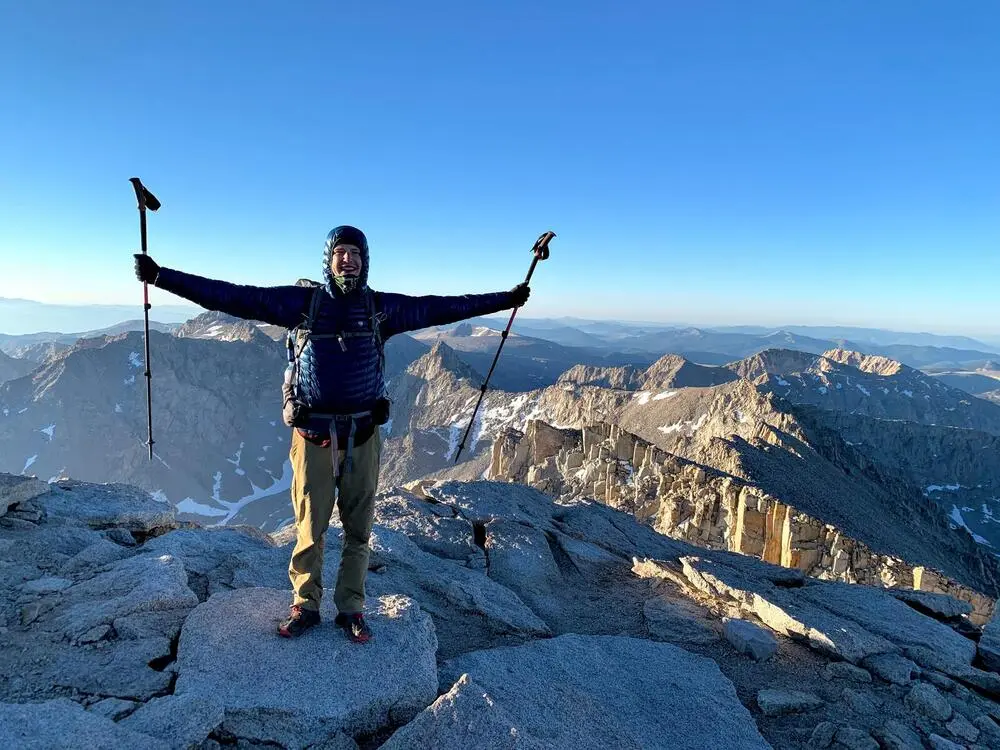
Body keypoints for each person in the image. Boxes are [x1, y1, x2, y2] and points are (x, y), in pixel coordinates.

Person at [134, 225, 529, 642]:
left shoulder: (381, 308)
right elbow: (233, 296)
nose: (348, 260)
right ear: (328, 259)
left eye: (355, 253)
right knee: (311, 526)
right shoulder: (302, 304)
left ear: (366, 260)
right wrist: (162, 277)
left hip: (363, 436)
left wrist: (506, 299)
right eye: (340, 252)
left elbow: (443, 307)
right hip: (314, 437)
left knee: (359, 529)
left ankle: (351, 609)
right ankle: (305, 605)